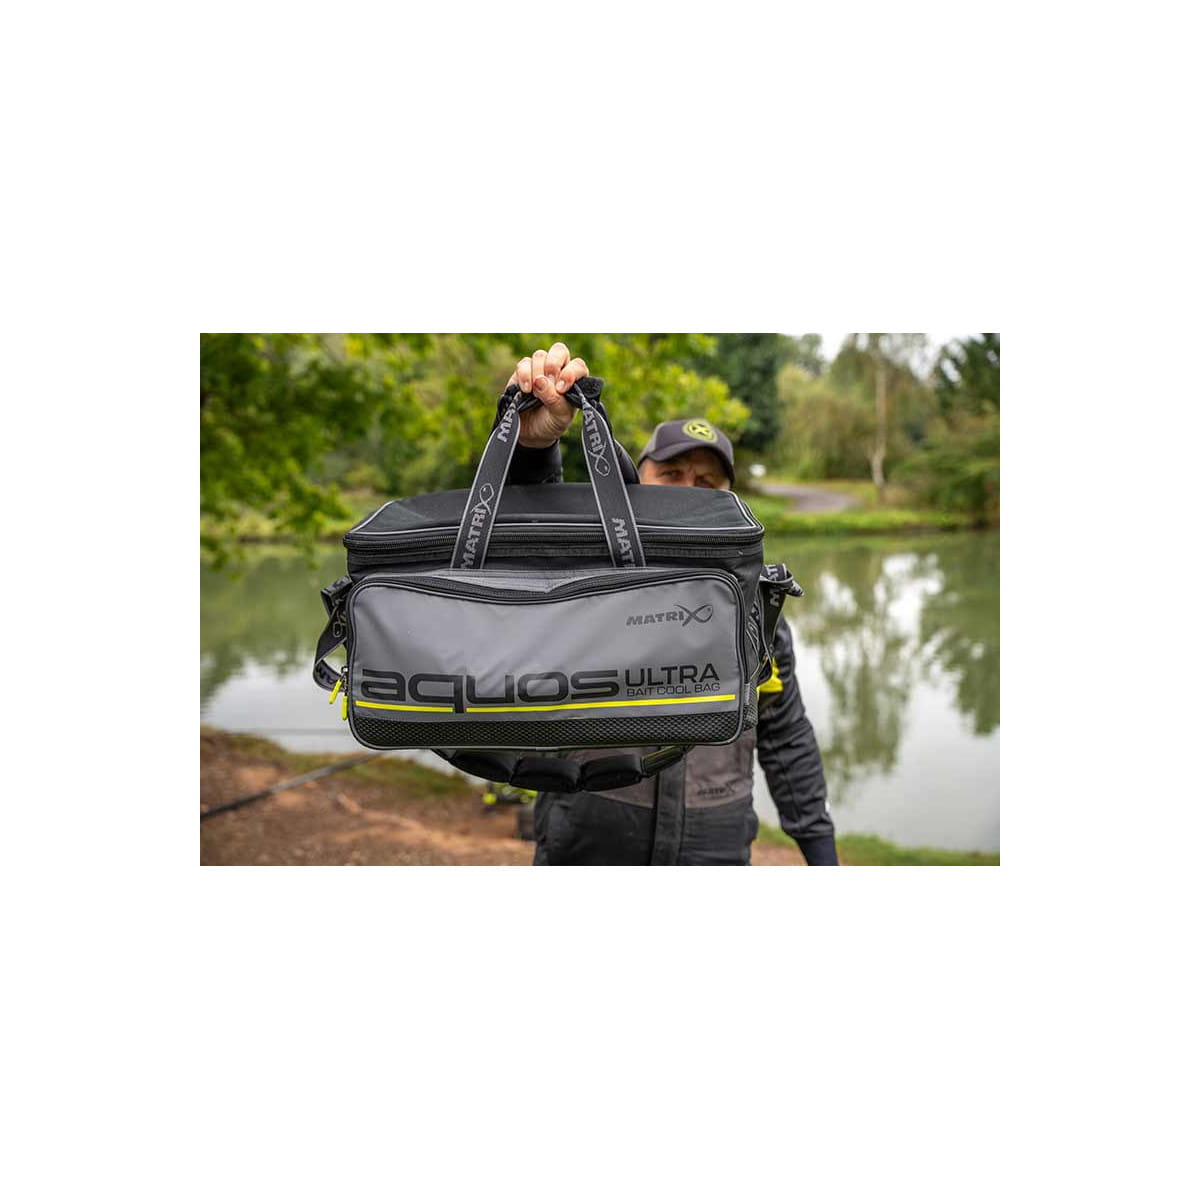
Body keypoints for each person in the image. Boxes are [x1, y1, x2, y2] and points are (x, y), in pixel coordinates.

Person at [500, 342, 838, 866]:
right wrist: (532, 445)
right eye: (672, 475)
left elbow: (785, 736)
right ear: (637, 484)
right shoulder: (595, 574)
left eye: (706, 482)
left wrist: (822, 853)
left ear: (729, 499)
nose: (688, 492)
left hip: (716, 838)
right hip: (589, 826)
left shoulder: (755, 605)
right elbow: (529, 535)